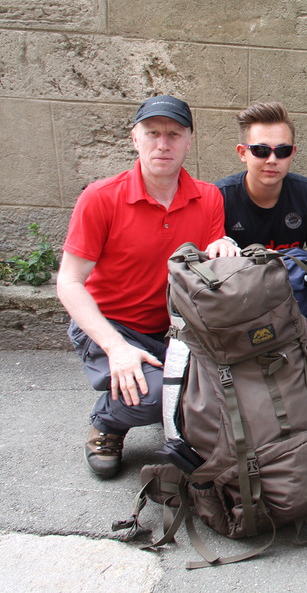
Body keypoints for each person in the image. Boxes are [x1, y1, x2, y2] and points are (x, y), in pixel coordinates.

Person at [56, 95, 239, 478]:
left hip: (175, 329)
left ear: (189, 141)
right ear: (134, 138)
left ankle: (165, 403)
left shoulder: (208, 197)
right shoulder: (100, 198)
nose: (163, 144)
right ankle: (107, 422)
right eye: (153, 133)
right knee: (154, 395)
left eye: (174, 134)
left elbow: (207, 272)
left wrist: (225, 247)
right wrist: (116, 348)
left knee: (229, 387)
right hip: (112, 326)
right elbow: (69, 283)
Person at [215, 101, 307, 338]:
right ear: (242, 153)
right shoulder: (220, 197)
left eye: (282, 151)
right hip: (237, 308)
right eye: (261, 150)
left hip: (292, 301)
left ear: (292, 153)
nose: (272, 160)